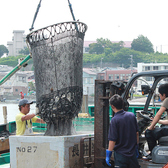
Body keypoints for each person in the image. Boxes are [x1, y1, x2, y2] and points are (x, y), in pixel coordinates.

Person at [106, 94, 140, 168]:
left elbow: (112, 140)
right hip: (132, 154)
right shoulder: (131, 116)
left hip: (121, 156)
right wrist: (136, 147)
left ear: (112, 106)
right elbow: (137, 133)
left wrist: (108, 154)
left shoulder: (115, 120)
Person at [145, 83, 168, 160]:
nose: (159, 96)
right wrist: (158, 121)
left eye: (160, 94)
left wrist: (151, 127)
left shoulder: (167, 100)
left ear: (164, 94)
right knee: (160, 127)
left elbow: (159, 114)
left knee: (149, 132)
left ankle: (152, 153)